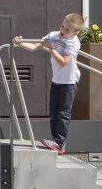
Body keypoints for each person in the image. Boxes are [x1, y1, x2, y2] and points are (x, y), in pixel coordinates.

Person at [13, 13, 86, 154]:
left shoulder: (73, 42)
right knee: (53, 111)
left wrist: (51, 48)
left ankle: (60, 142)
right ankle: (54, 140)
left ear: (75, 32)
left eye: (67, 30)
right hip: (57, 79)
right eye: (62, 26)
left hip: (69, 81)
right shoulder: (54, 35)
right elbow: (35, 47)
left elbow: (64, 62)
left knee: (63, 112)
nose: (62, 31)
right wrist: (20, 42)